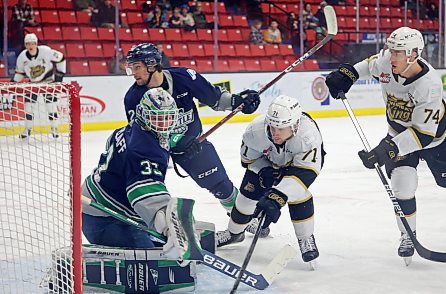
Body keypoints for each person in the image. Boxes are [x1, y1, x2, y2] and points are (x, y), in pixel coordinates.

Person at [325, 27, 446, 263]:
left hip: (436, 140)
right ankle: (407, 234)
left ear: (413, 54)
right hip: (398, 133)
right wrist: (348, 74)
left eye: (398, 52)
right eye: (391, 50)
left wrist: (385, 150)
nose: (392, 56)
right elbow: (367, 65)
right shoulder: (387, 62)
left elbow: (423, 135)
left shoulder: (429, 85)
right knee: (402, 186)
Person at [124, 43, 260, 215]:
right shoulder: (132, 98)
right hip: (155, 153)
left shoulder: (184, 77)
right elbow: (140, 138)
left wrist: (238, 101)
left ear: (152, 65)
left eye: (137, 67)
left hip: (192, 147)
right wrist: (176, 140)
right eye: (131, 68)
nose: (133, 73)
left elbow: (215, 98)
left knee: (220, 186)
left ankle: (243, 218)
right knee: (146, 190)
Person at [215, 95, 325, 263]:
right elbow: (248, 160)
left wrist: (276, 197)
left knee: (298, 195)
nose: (275, 133)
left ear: (295, 125)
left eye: (281, 128)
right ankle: (233, 233)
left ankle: (305, 238)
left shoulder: (308, 137)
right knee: (245, 198)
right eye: (272, 127)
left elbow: (307, 171)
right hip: (267, 163)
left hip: (296, 168)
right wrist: (265, 171)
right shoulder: (255, 132)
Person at [82, 88, 192, 256]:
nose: (164, 124)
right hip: (104, 218)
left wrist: (180, 144)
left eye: (168, 117)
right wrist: (169, 227)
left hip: (98, 201)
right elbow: (144, 195)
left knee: (158, 241)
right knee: (153, 258)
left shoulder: (130, 129)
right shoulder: (142, 150)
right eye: (157, 118)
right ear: (144, 114)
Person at [13, 33, 66, 139]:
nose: (30, 46)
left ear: (36, 44)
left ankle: (54, 129)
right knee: (28, 108)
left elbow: (61, 58)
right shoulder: (22, 57)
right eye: (28, 44)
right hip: (33, 84)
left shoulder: (45, 51)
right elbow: (19, 73)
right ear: (25, 45)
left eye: (32, 43)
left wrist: (60, 75)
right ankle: (27, 130)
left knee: (51, 107)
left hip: (48, 82)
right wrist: (13, 84)